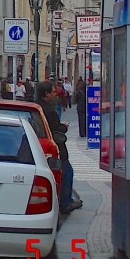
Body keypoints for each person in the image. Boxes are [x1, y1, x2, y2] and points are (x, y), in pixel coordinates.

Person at [35, 81, 82, 213]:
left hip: (39, 147)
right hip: (55, 149)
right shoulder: (49, 111)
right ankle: (66, 203)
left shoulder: (36, 107)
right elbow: (56, 131)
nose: (56, 95)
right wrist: (64, 126)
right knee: (67, 172)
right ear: (46, 94)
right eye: (54, 92)